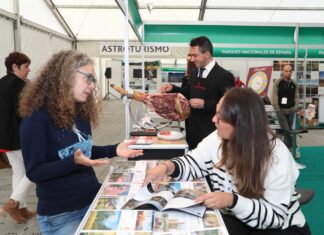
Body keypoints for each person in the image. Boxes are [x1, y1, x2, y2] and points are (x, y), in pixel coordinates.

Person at [145, 88, 310, 235]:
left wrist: (232, 200)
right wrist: (167, 167)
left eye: (221, 117)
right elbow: (194, 162)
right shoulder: (218, 137)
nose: (213, 120)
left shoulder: (276, 156)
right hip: (239, 218)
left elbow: (274, 218)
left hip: (280, 228)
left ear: (241, 125)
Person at [19, 50, 143, 235]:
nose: (93, 86)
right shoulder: (36, 119)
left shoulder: (79, 111)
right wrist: (73, 162)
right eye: (89, 78)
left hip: (92, 200)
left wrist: (115, 149)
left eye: (94, 80)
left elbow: (83, 151)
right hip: (62, 216)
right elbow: (35, 172)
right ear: (66, 75)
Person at [160, 36, 234, 150]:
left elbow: (231, 106)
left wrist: (205, 104)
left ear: (207, 54)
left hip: (212, 133)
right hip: (192, 130)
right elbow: (188, 93)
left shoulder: (224, 76)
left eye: (195, 55)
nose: (192, 59)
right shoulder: (195, 72)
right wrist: (172, 88)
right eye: (191, 55)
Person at [0, 52, 35, 223]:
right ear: (14, 67)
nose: (29, 70)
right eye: (26, 66)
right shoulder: (17, 84)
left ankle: (21, 208)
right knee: (34, 169)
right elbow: (23, 111)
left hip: (5, 138)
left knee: (19, 172)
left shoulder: (2, 82)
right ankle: (12, 203)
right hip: (18, 137)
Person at [271, 64, 299, 149]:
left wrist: (295, 107)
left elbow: (296, 96)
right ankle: (293, 145)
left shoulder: (294, 83)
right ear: (283, 72)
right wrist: (277, 108)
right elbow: (274, 95)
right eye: (286, 71)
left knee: (288, 130)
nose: (288, 73)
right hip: (281, 111)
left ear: (292, 72)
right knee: (286, 129)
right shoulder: (277, 82)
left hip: (291, 110)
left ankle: (287, 148)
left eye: (290, 71)